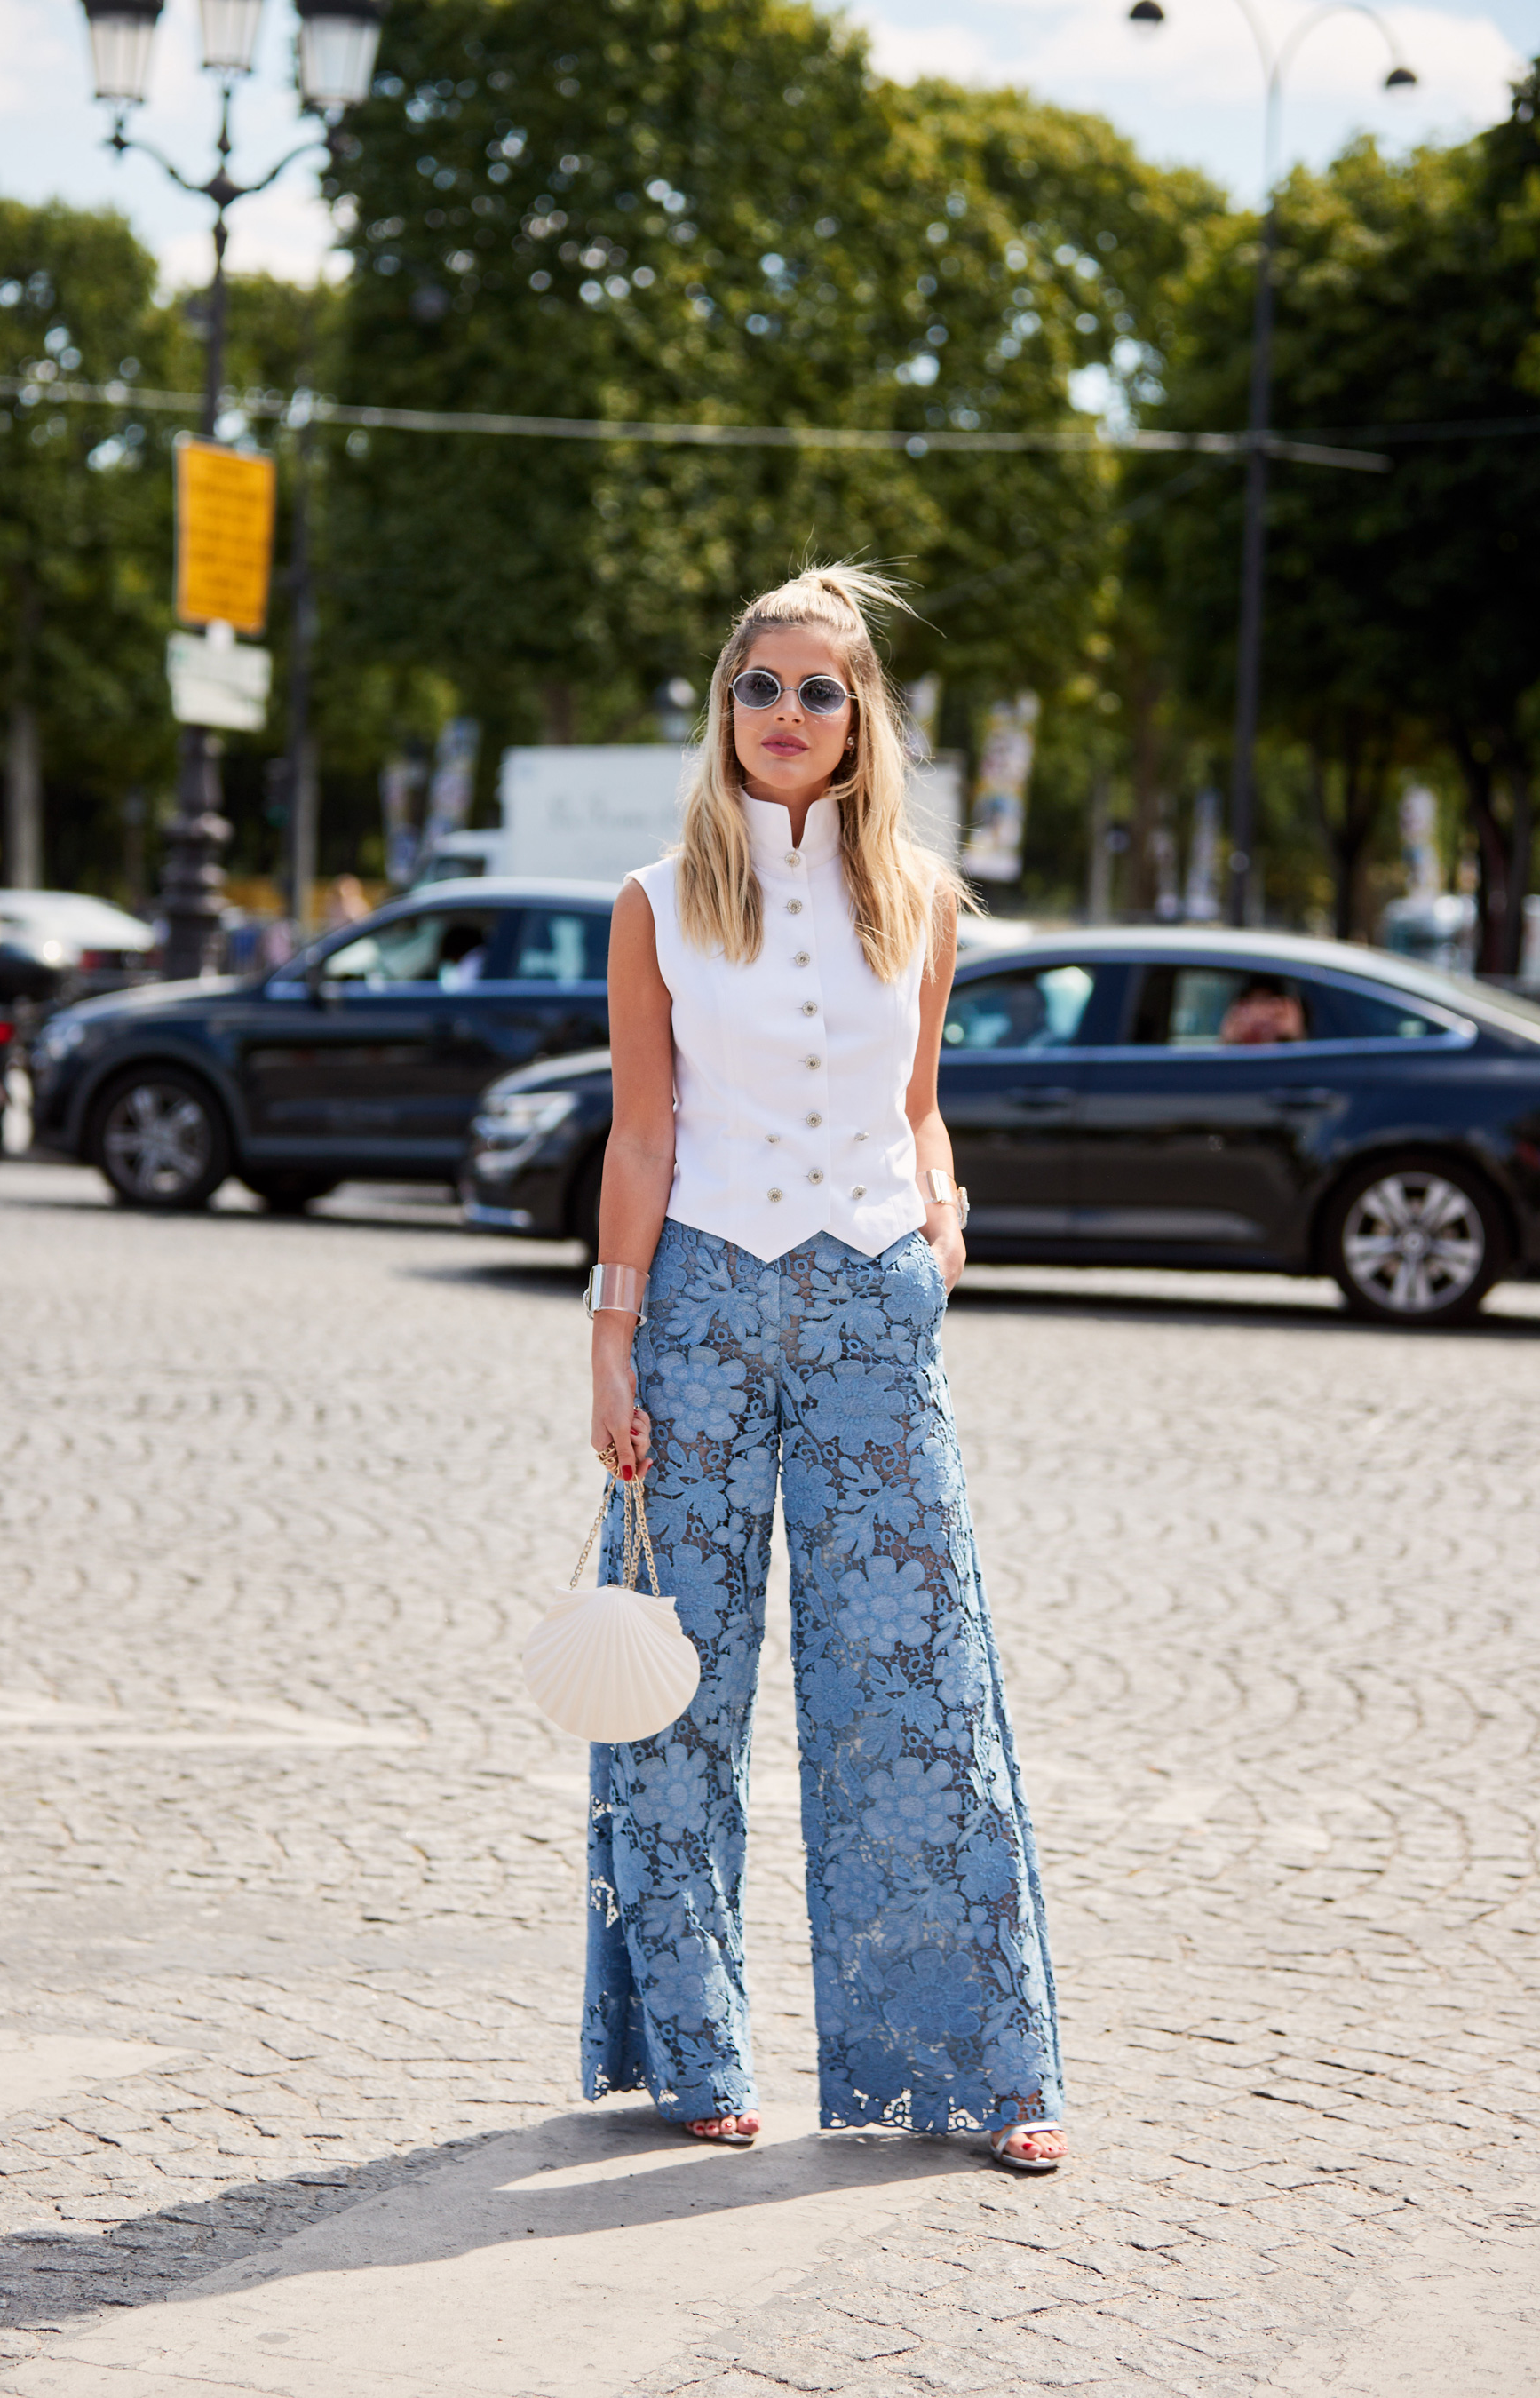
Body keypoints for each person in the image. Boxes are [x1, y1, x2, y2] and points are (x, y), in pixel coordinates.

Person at [582, 564, 1066, 2172]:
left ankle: (978, 2073)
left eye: (821, 691)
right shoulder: (657, 898)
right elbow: (642, 1129)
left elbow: (920, 1102)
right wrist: (613, 1338)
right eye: (761, 688)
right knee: (677, 1693)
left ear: (863, 724)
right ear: (723, 710)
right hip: (702, 1309)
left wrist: (945, 1229)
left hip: (871, 1309)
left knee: (917, 1697)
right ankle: (694, 2053)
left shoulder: (921, 900)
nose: (788, 716)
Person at [1219, 977, 1306, 1046]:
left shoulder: (1294, 1049)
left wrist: (1291, 1037)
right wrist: (1228, 1041)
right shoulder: (1238, 1045)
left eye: (1271, 1004)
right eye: (1253, 1004)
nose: (1261, 1017)